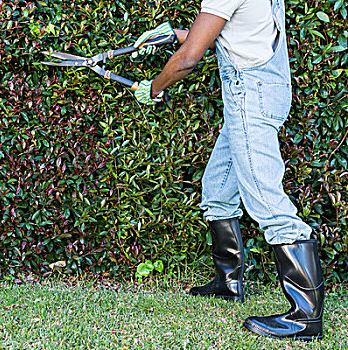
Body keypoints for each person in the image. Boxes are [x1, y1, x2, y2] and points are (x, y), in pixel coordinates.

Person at [132, 0, 325, 341]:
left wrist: (154, 87)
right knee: (218, 190)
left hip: (250, 96)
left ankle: (305, 315)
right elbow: (238, 33)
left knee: (267, 201)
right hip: (267, 92)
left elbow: (191, 56)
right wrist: (170, 35)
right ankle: (228, 282)